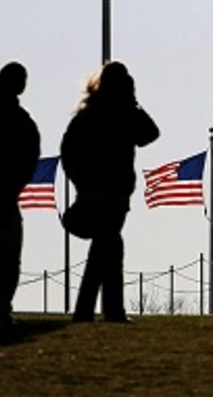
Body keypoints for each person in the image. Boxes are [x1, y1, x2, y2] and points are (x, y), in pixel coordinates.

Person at [61, 62, 159, 323]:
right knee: (109, 246)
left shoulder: (89, 115)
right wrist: (134, 104)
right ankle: (105, 310)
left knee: (107, 246)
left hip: (104, 192)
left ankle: (96, 310)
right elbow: (151, 133)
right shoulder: (121, 114)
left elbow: (149, 135)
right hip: (108, 192)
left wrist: (80, 182)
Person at [0, 63, 40, 327]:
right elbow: (29, 158)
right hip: (6, 197)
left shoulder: (22, 122)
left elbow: (29, 159)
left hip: (7, 195)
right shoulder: (21, 121)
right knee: (7, 257)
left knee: (8, 258)